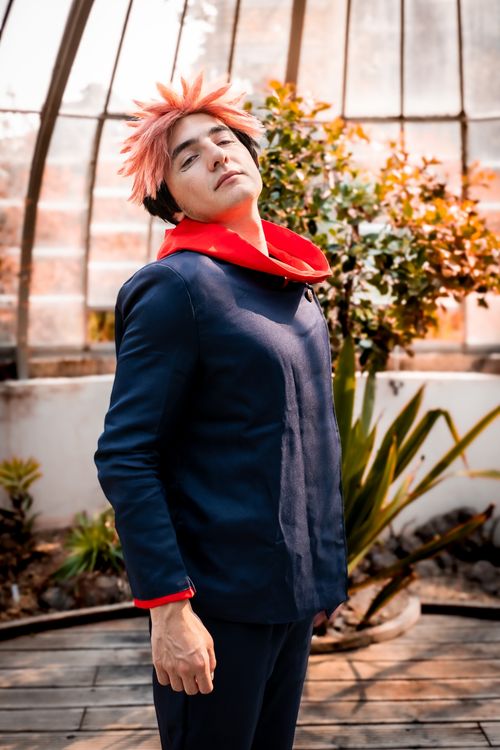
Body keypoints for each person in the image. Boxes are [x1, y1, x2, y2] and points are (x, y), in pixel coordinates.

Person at [94, 73, 348, 750]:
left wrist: (318, 578)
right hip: (214, 607)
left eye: (223, 138)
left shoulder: (291, 287)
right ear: (169, 200)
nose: (216, 154)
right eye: (187, 157)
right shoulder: (175, 289)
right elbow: (126, 455)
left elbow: (307, 440)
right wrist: (168, 610)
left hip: (287, 598)